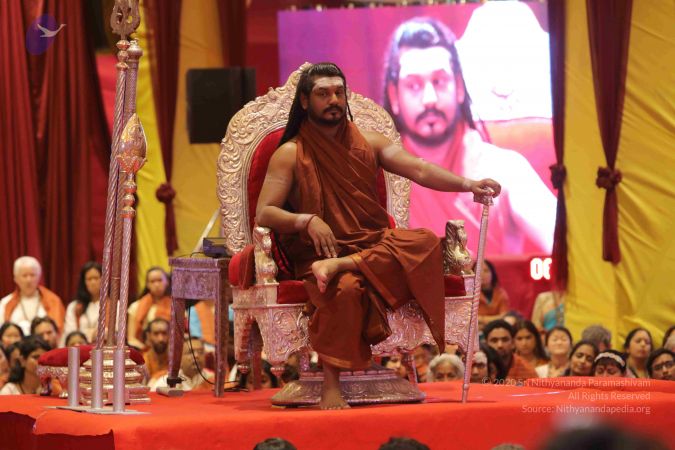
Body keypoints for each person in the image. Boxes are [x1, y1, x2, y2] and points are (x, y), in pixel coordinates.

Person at [256, 63, 500, 409]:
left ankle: (346, 264)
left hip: (370, 246)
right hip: (322, 254)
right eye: (323, 93)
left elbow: (419, 169)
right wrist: (306, 221)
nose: (334, 100)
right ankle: (331, 385)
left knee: (424, 242)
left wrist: (468, 184)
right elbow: (265, 212)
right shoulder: (290, 153)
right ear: (305, 101)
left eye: (339, 92)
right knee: (345, 288)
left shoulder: (369, 142)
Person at [383, 17, 555, 254]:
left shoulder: (505, 168)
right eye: (414, 85)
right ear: (394, 96)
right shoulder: (381, 178)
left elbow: (562, 239)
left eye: (439, 81)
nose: (430, 98)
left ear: (459, 87)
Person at [0, 256, 65, 336]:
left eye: (32, 275)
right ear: (15, 279)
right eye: (24, 275)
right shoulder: (5, 303)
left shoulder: (53, 301)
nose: (29, 280)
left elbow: (58, 331)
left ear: (39, 277)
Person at [128, 267, 172, 349]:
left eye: (160, 280)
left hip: (170, 351)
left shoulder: (176, 307)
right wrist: (147, 351)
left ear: (167, 282)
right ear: (147, 284)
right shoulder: (135, 307)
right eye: (152, 281)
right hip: (143, 350)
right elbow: (131, 339)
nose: (156, 284)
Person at [64, 262, 102, 344]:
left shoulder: (115, 305)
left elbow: (116, 333)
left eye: (96, 278)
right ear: (84, 282)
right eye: (89, 279)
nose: (93, 282)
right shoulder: (73, 306)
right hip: (79, 348)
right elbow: (70, 334)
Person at [476, 260, 509, 329]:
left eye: (486, 271)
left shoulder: (501, 293)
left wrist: (482, 319)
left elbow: (504, 316)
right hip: (476, 327)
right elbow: (470, 318)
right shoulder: (470, 294)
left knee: (510, 320)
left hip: (497, 326)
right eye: (479, 271)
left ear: (492, 273)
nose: (482, 274)